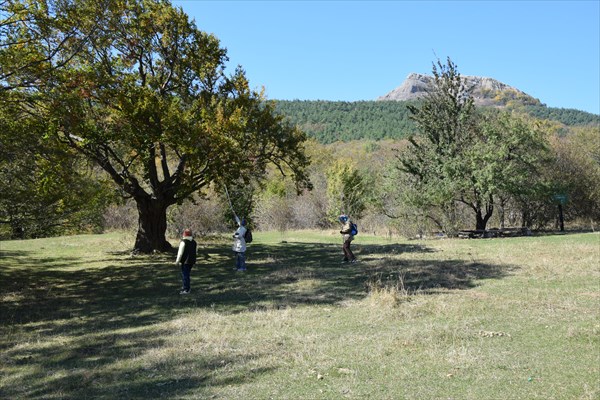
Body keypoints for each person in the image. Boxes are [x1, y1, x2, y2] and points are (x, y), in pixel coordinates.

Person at [175, 229, 197, 294]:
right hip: (192, 261)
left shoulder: (183, 242)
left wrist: (177, 261)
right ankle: (186, 286)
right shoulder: (194, 242)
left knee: (185, 275)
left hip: (185, 261)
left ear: (184, 234)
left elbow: (180, 253)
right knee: (186, 274)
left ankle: (186, 289)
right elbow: (195, 251)